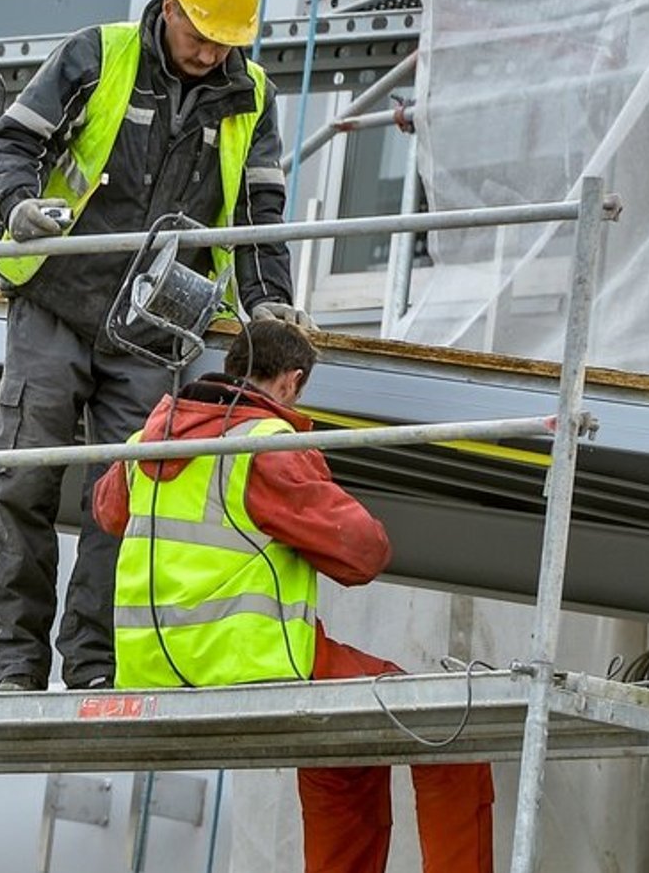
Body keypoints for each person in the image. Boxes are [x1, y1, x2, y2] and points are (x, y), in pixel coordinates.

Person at [0, 0, 312, 692]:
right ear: (169, 5)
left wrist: (267, 303)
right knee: (24, 482)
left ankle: (93, 668)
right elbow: (10, 145)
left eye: (226, 40)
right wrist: (16, 208)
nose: (210, 52)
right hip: (57, 301)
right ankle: (17, 668)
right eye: (200, 33)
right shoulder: (99, 54)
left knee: (125, 500)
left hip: (154, 329)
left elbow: (258, 215)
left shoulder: (250, 95)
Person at [92, 320, 495, 872]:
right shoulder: (265, 447)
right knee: (446, 718)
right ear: (292, 382)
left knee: (347, 748)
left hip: (151, 668)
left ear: (234, 366)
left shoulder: (148, 443)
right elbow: (363, 554)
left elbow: (106, 512)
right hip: (248, 661)